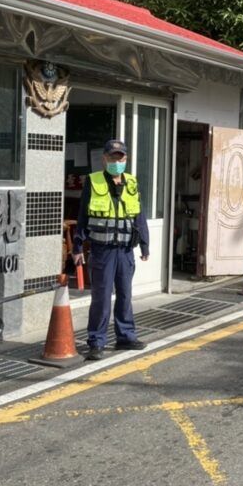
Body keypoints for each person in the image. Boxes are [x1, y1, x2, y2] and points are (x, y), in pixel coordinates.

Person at [72, 139, 150, 360]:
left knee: (125, 295)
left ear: (126, 159)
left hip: (125, 250)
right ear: (104, 159)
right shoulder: (94, 181)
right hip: (102, 251)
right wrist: (77, 245)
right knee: (102, 298)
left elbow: (139, 216)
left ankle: (126, 337)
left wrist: (145, 243)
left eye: (121, 157)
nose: (117, 161)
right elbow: (83, 216)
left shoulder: (132, 182)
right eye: (113, 157)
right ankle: (96, 342)